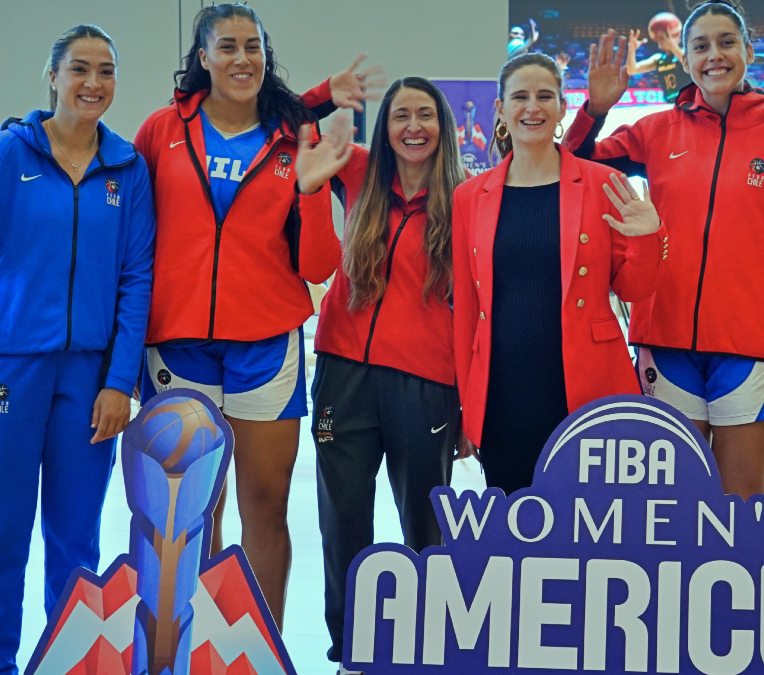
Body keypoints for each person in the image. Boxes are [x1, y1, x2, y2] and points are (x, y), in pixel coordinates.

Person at [133, 3, 357, 630]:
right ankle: (188, 646)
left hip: (265, 344)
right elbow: (133, 240)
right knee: (191, 508)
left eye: (252, 46)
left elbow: (318, 266)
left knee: (264, 503)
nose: (242, 58)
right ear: (203, 57)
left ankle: (259, 650)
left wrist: (311, 191)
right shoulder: (161, 131)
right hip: (178, 343)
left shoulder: (293, 138)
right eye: (227, 46)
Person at [0, 26, 154, 674]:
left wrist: (119, 380)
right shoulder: (7, 152)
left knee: (76, 540)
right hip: (5, 368)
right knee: (0, 534)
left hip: (89, 379)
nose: (93, 82)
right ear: (53, 77)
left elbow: (136, 277)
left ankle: (68, 663)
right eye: (80, 68)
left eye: (106, 70)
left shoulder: (127, 168)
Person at [565, 0, 764, 499]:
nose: (714, 55)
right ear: (685, 59)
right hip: (665, 337)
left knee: (740, 504)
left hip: (750, 342)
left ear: (749, 50)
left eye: (727, 43)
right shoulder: (656, 131)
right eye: (700, 46)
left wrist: (752, 253)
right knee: (671, 500)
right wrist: (595, 110)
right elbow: (575, 167)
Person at [453, 53, 666, 495]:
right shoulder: (470, 196)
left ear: (562, 107)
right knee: (514, 518)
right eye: (520, 97)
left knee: (591, 522)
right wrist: (466, 405)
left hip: (587, 386)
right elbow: (467, 311)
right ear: (500, 109)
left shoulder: (602, 182)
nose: (533, 107)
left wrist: (649, 238)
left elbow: (634, 288)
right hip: (503, 393)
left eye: (545, 96)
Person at [311, 76, 465, 668]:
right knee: (343, 519)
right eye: (401, 114)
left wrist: (469, 405)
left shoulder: (466, 199)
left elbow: (478, 311)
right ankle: (352, 646)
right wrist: (326, 93)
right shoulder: (357, 170)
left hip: (425, 383)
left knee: (425, 524)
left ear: (443, 126)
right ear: (384, 126)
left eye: (425, 114)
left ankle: (425, 644)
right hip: (343, 372)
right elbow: (284, 124)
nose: (413, 126)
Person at [627, 12, 688, 103]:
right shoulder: (658, 59)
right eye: (659, 39)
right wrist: (631, 51)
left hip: (690, 103)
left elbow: (688, 63)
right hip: (672, 103)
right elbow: (632, 70)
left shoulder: (686, 53)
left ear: (678, 35)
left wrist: (673, 45)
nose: (660, 41)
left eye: (663, 38)